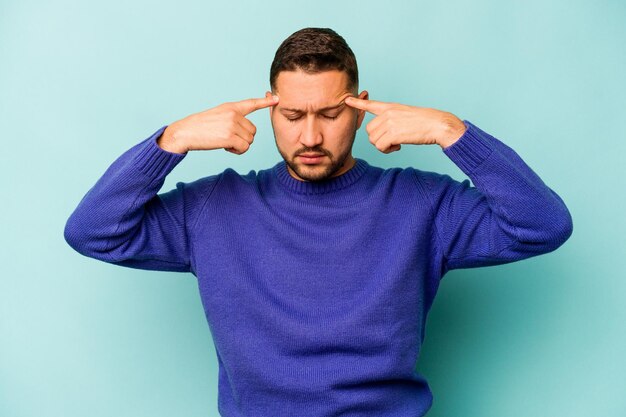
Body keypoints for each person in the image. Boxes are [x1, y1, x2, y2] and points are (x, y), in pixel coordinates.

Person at [64, 27, 573, 417]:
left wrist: (452, 131)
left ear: (360, 109)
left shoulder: (423, 204)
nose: (310, 136)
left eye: (329, 115)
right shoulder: (214, 207)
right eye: (291, 116)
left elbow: (543, 225)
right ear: (268, 110)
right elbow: (93, 232)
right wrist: (169, 141)